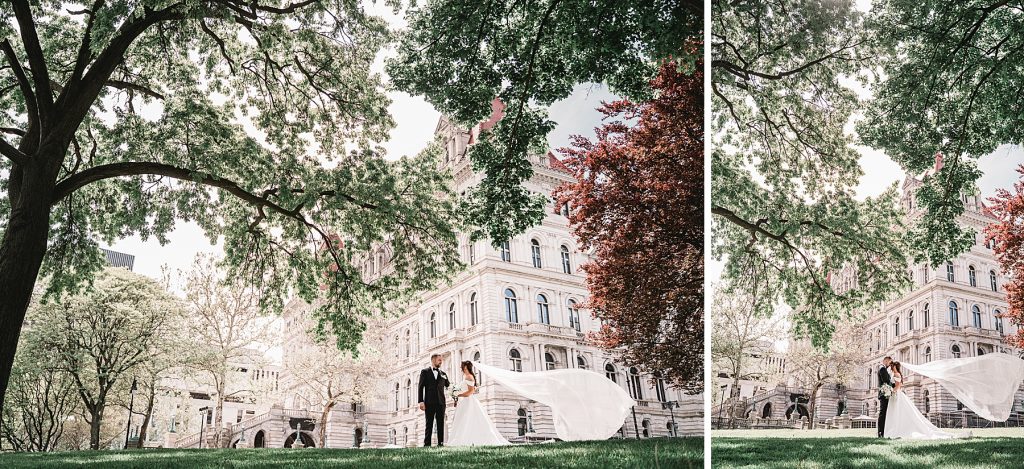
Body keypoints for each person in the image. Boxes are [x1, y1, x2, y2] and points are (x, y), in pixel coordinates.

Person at [883, 360, 962, 440]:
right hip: (897, 394)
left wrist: (891, 391)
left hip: (896, 394)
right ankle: (896, 428)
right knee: (898, 412)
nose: (891, 368)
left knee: (898, 412)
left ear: (894, 367)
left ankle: (898, 429)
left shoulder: (896, 374)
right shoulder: (896, 374)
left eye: (891, 366)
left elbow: (897, 386)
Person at [447, 361, 510, 446]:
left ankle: (467, 439)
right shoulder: (466, 377)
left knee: (468, 419)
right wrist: (456, 397)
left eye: (461, 366)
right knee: (462, 420)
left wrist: (459, 394)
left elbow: (470, 391)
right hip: (464, 401)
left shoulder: (469, 377)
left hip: (468, 401)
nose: (460, 368)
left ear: (465, 367)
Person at [417, 354, 449, 446]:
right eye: (439, 360)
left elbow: (449, 386)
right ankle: (427, 444)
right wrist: (421, 401)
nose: (441, 362)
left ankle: (441, 443)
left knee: (440, 424)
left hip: (441, 402)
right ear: (433, 360)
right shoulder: (425, 372)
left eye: (441, 360)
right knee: (429, 424)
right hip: (429, 402)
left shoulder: (443, 374)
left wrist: (455, 395)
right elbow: (420, 387)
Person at [877, 356, 894, 438]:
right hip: (884, 394)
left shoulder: (883, 369)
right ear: (886, 361)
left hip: (885, 393)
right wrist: (894, 385)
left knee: (884, 413)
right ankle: (880, 432)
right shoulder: (882, 368)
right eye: (889, 362)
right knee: (883, 413)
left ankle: (883, 431)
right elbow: (886, 381)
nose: (890, 365)